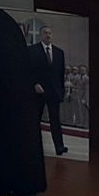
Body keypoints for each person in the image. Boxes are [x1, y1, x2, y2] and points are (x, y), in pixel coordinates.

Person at [28, 25, 69, 156]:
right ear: (41, 35)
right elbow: (27, 70)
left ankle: (59, 146)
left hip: (54, 92)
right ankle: (31, 146)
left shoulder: (59, 52)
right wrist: (34, 83)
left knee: (55, 120)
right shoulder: (32, 50)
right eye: (45, 33)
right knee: (35, 120)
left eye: (50, 33)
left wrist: (61, 92)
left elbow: (60, 74)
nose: (48, 35)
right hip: (38, 91)